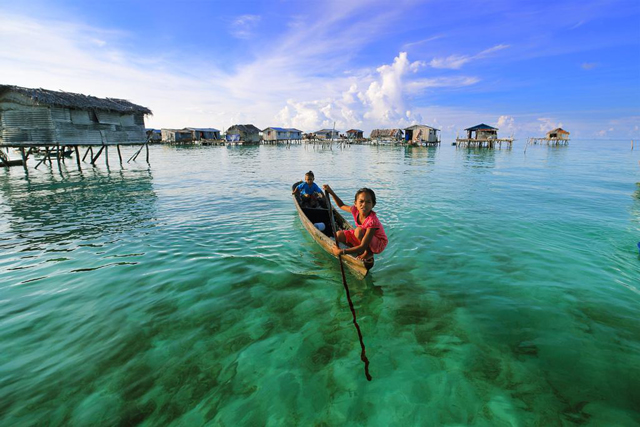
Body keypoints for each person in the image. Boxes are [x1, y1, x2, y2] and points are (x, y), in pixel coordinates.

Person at [323, 184, 388, 260]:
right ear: (355, 203)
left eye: (368, 202)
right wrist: (331, 192)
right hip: (364, 237)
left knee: (358, 231)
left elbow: (363, 246)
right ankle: (356, 249)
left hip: (378, 243)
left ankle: (368, 252)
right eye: (361, 201)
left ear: (373, 205)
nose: (364, 205)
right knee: (338, 235)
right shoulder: (355, 210)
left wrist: (342, 251)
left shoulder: (372, 221)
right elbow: (341, 205)